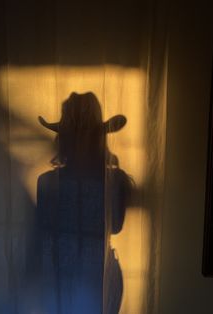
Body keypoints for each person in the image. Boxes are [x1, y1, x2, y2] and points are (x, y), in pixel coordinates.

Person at [36, 92, 131, 314]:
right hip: (61, 276)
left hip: (97, 276)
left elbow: (115, 226)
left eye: (85, 135)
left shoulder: (114, 180)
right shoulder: (48, 181)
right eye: (75, 135)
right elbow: (43, 231)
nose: (80, 141)